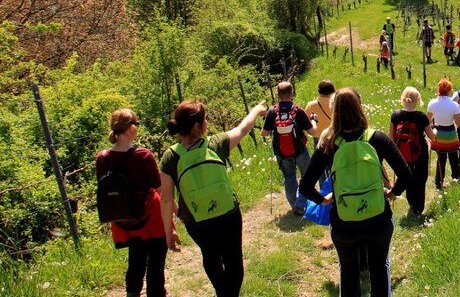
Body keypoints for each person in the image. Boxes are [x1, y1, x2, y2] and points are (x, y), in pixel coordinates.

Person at [299, 88, 411, 297]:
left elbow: (305, 186)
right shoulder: (377, 138)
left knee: (348, 271)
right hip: (378, 218)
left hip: (343, 221)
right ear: (360, 107)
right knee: (380, 267)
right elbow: (405, 174)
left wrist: (324, 200)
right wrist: (392, 193)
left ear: (334, 111)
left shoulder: (328, 143)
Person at [160, 99, 266, 297]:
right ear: (198, 126)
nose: (207, 121)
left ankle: (222, 293)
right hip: (228, 214)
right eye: (205, 119)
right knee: (233, 257)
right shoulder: (215, 144)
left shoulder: (170, 157)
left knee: (210, 255)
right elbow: (242, 129)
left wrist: (169, 232)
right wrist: (256, 110)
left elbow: (166, 199)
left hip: (196, 219)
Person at [96, 109, 167, 297]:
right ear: (130, 128)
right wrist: (175, 210)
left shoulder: (102, 158)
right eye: (136, 124)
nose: (137, 127)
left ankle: (132, 293)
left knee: (135, 259)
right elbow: (159, 189)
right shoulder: (143, 155)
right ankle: (156, 293)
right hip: (151, 217)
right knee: (156, 261)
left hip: (123, 219)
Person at [262, 81, 320, 215]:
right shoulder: (297, 111)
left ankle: (294, 205)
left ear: (278, 95)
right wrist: (314, 121)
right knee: (307, 176)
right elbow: (312, 132)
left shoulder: (272, 111)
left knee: (289, 177)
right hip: (299, 150)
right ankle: (300, 204)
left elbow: (264, 133)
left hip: (281, 152)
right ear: (291, 94)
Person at [388, 87, 435, 217]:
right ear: (418, 100)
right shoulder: (421, 117)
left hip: (401, 154)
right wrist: (435, 132)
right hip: (420, 153)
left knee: (407, 177)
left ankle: (411, 202)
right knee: (420, 179)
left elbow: (390, 137)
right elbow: (431, 136)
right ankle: (418, 209)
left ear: (403, 99)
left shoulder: (395, 115)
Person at [426, 78, 460, 189]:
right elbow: (459, 123)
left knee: (441, 158)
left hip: (439, 133)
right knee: (453, 157)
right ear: (450, 90)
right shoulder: (454, 105)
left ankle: (439, 181)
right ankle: (456, 176)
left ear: (438, 89)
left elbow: (427, 121)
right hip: (450, 133)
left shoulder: (432, 103)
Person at [305, 80, 335, 151]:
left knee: (320, 158)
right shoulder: (335, 103)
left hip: (318, 137)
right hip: (333, 135)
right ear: (333, 90)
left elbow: (306, 120)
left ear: (319, 91)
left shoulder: (311, 105)